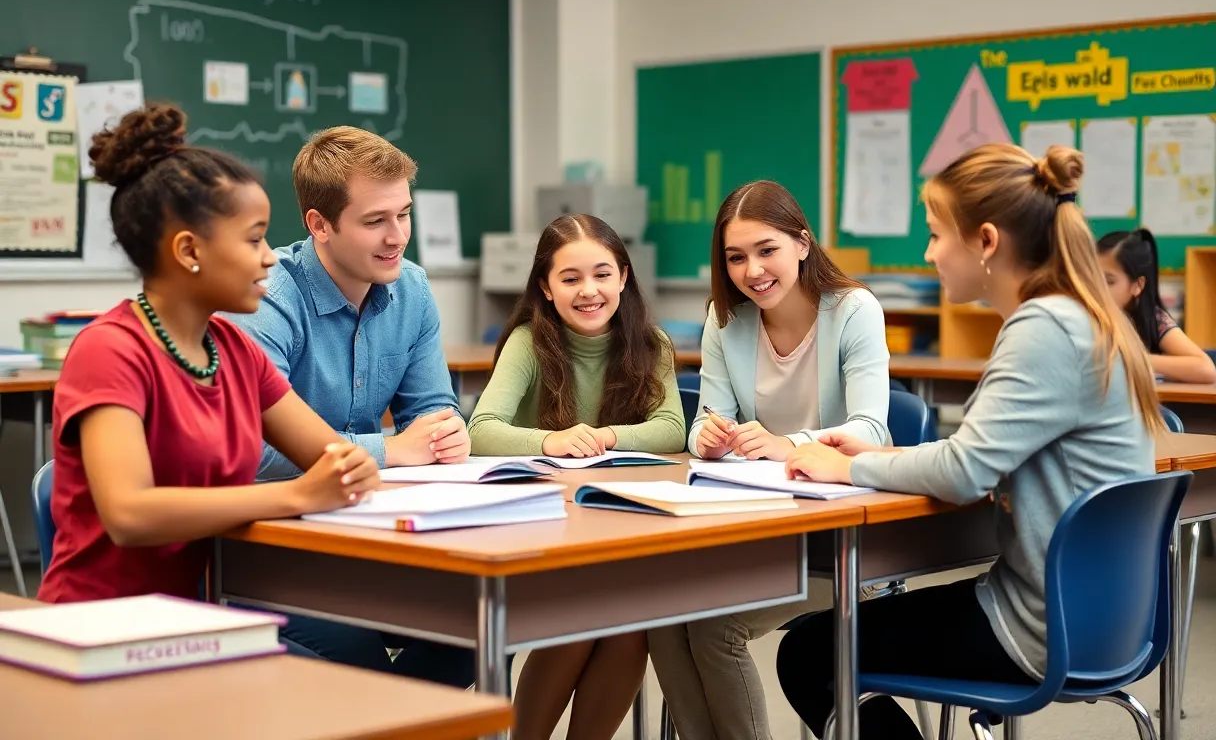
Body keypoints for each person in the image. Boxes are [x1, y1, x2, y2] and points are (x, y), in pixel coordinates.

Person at [776, 145, 1162, 739]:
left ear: (986, 241)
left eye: (935, 235)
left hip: (1037, 624)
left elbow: (964, 473)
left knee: (808, 650)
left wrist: (846, 471)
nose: (928, 254)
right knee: (829, 641)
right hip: (1101, 617)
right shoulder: (1082, 318)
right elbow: (985, 455)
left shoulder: (1043, 329)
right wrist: (876, 456)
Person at [37, 105, 380, 663]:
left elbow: (333, 457)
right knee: (334, 685)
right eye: (253, 240)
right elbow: (129, 514)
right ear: (189, 250)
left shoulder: (236, 349)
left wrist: (352, 466)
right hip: (102, 633)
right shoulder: (109, 350)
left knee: (389, 655)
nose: (270, 258)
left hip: (200, 614)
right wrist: (296, 494)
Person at [229, 125, 474, 686]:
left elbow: (433, 410)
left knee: (483, 627)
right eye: (375, 221)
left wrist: (446, 433)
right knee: (358, 656)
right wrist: (390, 449)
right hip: (270, 545)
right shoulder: (266, 299)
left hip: (369, 535)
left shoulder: (411, 288)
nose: (398, 237)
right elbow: (251, 450)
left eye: (404, 214)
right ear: (319, 225)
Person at [647, 180, 889, 740]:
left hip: (842, 547)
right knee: (661, 617)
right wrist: (707, 436)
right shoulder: (726, 319)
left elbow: (872, 430)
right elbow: (708, 418)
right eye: (735, 257)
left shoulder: (853, 310)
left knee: (713, 628)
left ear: (803, 244)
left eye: (766, 250)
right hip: (756, 532)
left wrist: (793, 445)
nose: (752, 270)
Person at [468, 213, 685, 740]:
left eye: (602, 274)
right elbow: (480, 430)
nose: (589, 291)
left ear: (624, 276)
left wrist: (607, 436)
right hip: (533, 530)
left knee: (631, 629)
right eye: (570, 279)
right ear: (545, 286)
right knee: (578, 619)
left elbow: (673, 429)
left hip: (610, 529)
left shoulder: (650, 343)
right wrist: (551, 441)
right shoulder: (528, 340)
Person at [1097, 228, 1216, 383]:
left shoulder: (1153, 319)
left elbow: (1206, 369)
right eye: (1092, 278)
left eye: (1109, 281)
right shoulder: (1080, 314)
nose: (1097, 288)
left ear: (1137, 285)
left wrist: (1134, 360)